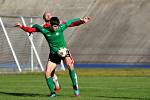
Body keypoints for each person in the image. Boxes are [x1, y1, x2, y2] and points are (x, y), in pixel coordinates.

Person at [16, 16, 90, 97]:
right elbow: (33, 28)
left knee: (70, 65)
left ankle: (75, 87)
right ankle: (53, 93)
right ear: (50, 25)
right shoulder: (45, 30)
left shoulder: (61, 28)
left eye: (57, 26)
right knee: (47, 73)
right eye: (54, 26)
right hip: (54, 54)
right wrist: (21, 26)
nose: (56, 28)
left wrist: (82, 20)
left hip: (64, 52)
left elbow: (71, 21)